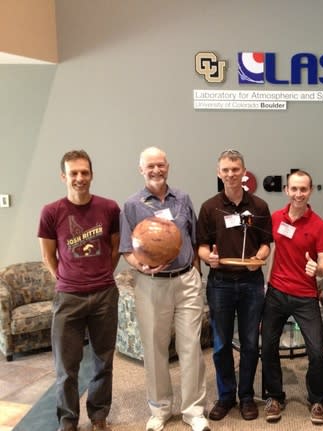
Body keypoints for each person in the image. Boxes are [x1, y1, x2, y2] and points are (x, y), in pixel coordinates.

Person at [119, 147, 209, 431]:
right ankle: (159, 408)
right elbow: (125, 249)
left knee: (191, 346)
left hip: (185, 281)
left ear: (168, 166)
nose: (156, 170)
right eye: (150, 166)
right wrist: (140, 266)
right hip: (151, 284)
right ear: (141, 170)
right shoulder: (132, 204)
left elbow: (194, 240)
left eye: (161, 165)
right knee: (155, 348)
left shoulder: (182, 199)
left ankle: (193, 410)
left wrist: (195, 271)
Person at [38, 150, 120, 431]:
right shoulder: (51, 211)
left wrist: (102, 274)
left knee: (103, 360)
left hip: (104, 295)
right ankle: (68, 419)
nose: (79, 178)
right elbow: (48, 256)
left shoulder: (109, 208)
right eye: (73, 173)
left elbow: (115, 247)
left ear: (92, 174)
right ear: (64, 176)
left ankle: (98, 416)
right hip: (68, 297)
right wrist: (65, 278)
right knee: (66, 365)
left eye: (84, 172)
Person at [196, 149, 272, 421]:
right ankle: (226, 396)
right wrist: (210, 258)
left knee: (251, 343)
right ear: (219, 172)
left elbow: (265, 245)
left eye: (235, 169)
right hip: (220, 284)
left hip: (251, 283)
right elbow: (202, 248)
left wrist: (260, 258)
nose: (230, 174)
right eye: (225, 170)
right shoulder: (209, 207)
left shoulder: (260, 207)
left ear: (244, 172)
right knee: (220, 345)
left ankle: (247, 396)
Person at [260, 170, 323, 425]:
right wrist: (266, 282)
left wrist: (318, 270)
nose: (299, 194)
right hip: (277, 292)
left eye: (303, 189)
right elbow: (270, 249)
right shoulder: (276, 218)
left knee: (317, 352)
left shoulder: (319, 226)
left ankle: (318, 399)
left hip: (305, 296)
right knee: (267, 346)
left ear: (310, 191)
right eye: (294, 189)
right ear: (286, 191)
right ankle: (275, 396)